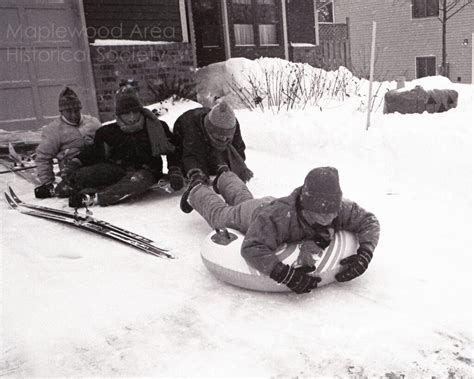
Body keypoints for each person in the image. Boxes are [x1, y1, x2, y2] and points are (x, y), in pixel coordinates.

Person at [185, 166, 380, 294]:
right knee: (222, 215)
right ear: (307, 207)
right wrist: (285, 275)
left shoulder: (338, 210)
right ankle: (196, 189)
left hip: (268, 204)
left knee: (245, 199)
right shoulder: (279, 218)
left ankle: (225, 176)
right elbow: (252, 247)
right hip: (254, 214)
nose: (329, 218)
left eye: (333, 212)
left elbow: (369, 221)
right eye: (322, 214)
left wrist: (365, 254)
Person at [67, 84, 184, 208]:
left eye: (135, 112)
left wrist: (174, 170)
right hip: (118, 169)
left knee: (135, 183)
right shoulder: (109, 131)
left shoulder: (156, 127)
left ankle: (95, 197)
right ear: (119, 115)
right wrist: (76, 161)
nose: (132, 117)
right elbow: (95, 152)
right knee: (83, 175)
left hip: (147, 171)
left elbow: (174, 150)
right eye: (127, 113)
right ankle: (66, 187)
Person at [172, 101, 253, 213]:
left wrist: (229, 169)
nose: (224, 139)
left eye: (227, 136)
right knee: (197, 171)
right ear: (209, 129)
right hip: (190, 151)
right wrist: (178, 170)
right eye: (220, 136)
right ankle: (196, 189)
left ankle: (222, 172)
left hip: (213, 153)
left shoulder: (232, 124)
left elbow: (238, 151)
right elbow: (188, 155)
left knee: (225, 164)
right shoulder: (189, 124)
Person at [34, 87, 101, 198]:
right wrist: (47, 183)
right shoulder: (54, 130)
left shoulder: (93, 123)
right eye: (69, 111)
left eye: (76, 110)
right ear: (61, 112)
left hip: (95, 166)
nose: (74, 115)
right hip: (72, 170)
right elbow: (43, 157)